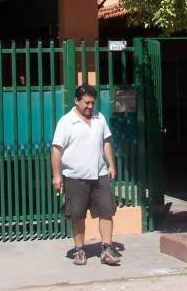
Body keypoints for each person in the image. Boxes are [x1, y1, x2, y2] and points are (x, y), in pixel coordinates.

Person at [51, 84, 121, 266]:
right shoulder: (66, 122)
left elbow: (106, 142)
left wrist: (111, 165)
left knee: (107, 211)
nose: (90, 106)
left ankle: (107, 249)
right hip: (75, 177)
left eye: (92, 103)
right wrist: (57, 175)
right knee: (77, 215)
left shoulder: (99, 118)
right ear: (76, 100)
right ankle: (79, 250)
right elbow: (56, 150)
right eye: (87, 103)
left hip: (100, 175)